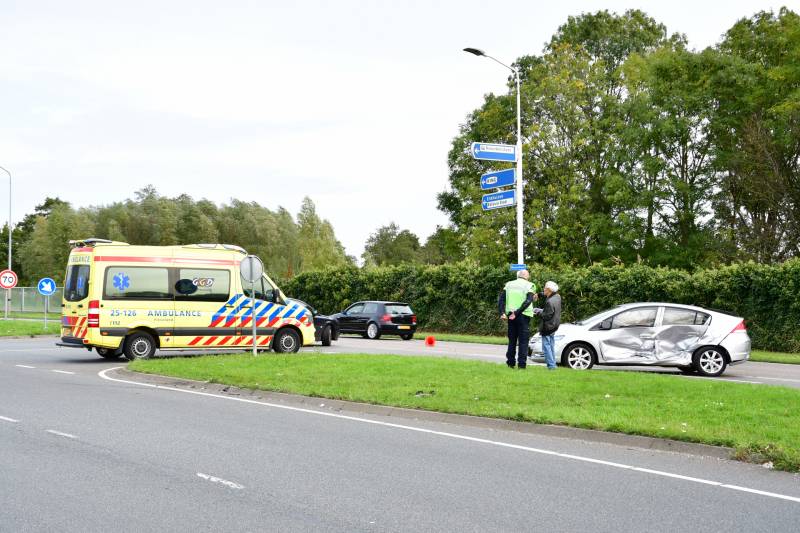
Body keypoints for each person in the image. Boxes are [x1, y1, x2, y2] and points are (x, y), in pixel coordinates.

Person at [498, 270, 536, 369]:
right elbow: (528, 301)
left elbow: (501, 299)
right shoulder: (530, 285)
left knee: (512, 340)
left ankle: (510, 363)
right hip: (523, 315)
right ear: (526, 276)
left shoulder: (509, 284)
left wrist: (502, 312)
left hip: (510, 315)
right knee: (523, 342)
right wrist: (517, 312)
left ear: (518, 276)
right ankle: (522, 365)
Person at [534, 281, 562, 370]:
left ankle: (551, 366)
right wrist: (539, 294)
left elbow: (546, 315)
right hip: (554, 325)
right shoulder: (557, 296)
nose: (543, 289)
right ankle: (553, 364)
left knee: (546, 348)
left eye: (545, 288)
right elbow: (545, 294)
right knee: (551, 346)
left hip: (548, 327)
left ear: (549, 290)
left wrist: (537, 312)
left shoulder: (550, 301)